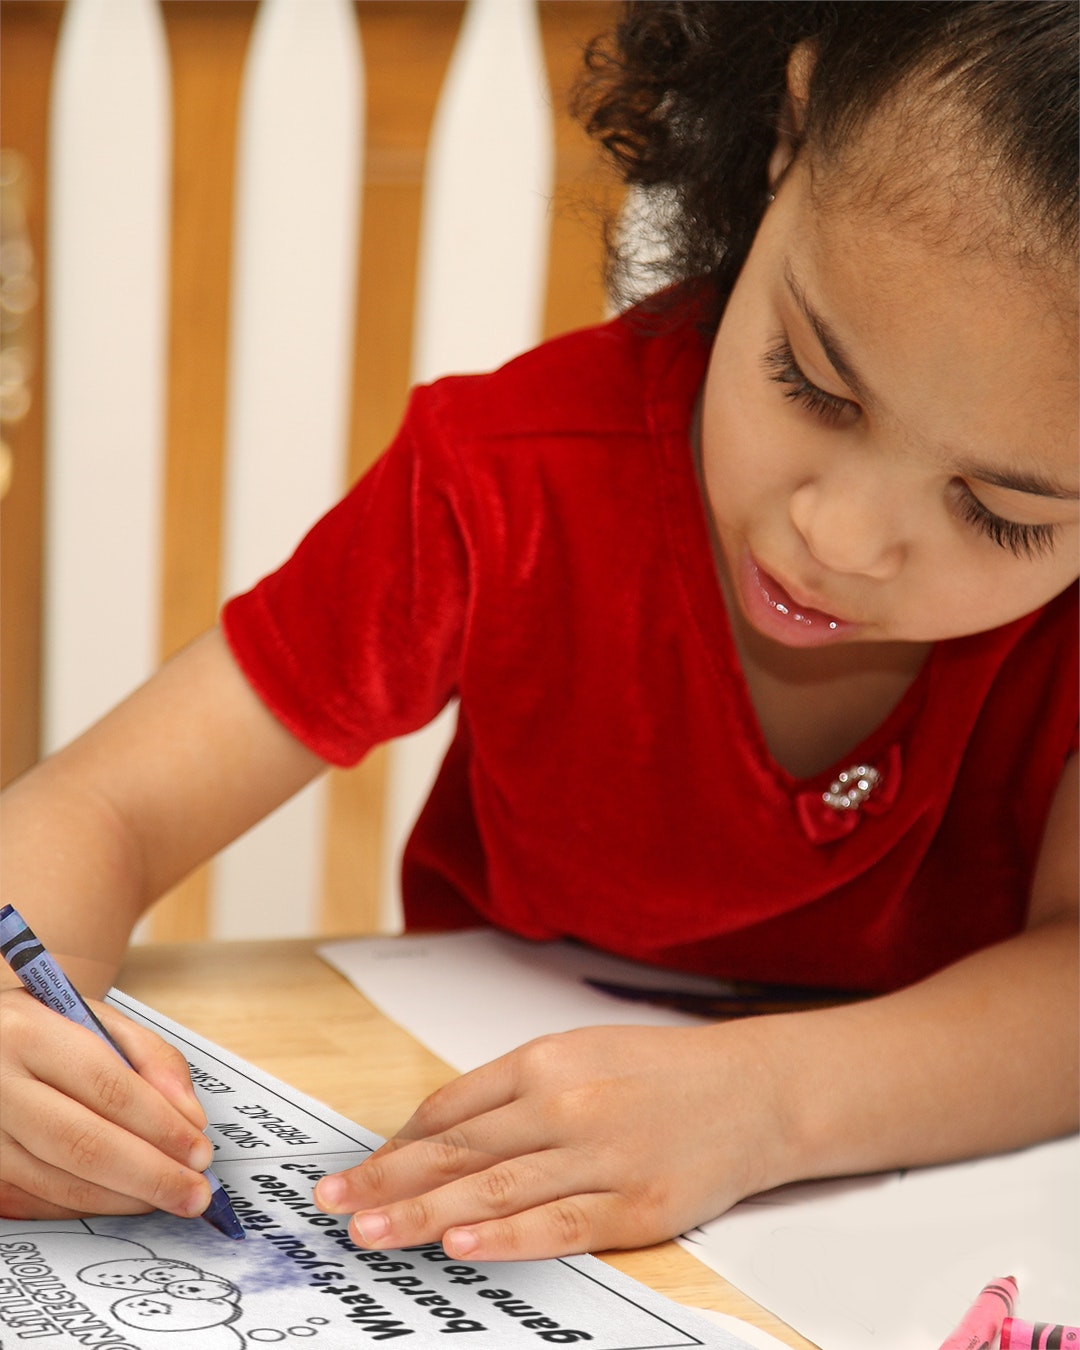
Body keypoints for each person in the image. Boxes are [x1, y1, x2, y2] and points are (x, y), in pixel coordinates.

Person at [1, 0, 1076, 1264]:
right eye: (810, 379)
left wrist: (768, 1103)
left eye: (1000, 514)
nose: (838, 537)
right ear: (787, 138)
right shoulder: (508, 483)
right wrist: (22, 1016)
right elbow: (106, 808)